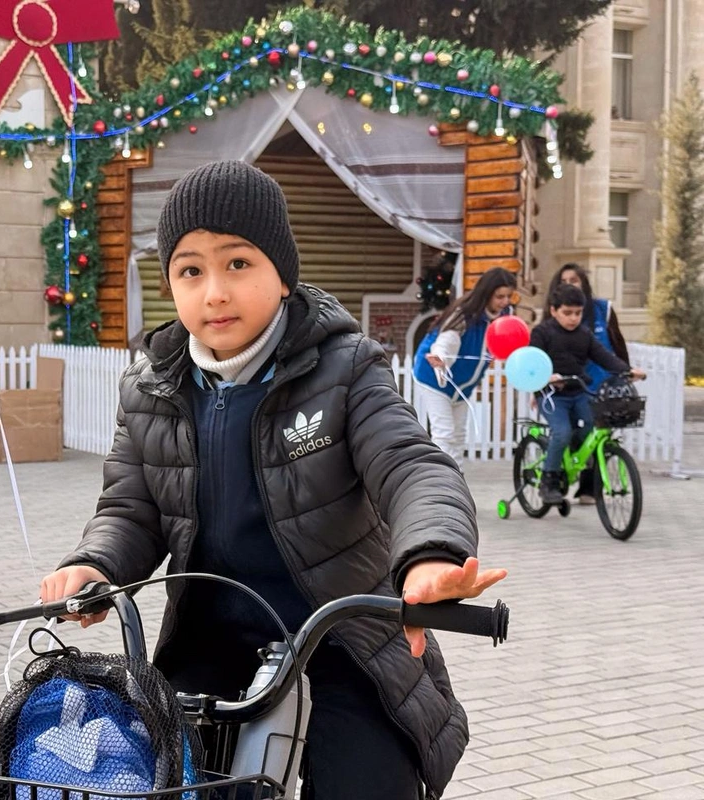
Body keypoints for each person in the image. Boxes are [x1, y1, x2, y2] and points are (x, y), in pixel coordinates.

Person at [38, 161, 506, 800]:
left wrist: (430, 553)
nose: (215, 293)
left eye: (238, 263)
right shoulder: (150, 387)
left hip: (340, 642)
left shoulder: (344, 367)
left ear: (282, 275)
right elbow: (129, 509)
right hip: (207, 644)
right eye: (190, 270)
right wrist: (94, 564)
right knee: (156, 781)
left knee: (367, 781)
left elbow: (410, 463)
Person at [530, 283, 645, 505]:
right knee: (561, 432)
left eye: (578, 313)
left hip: (580, 391)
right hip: (552, 396)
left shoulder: (584, 334)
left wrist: (627, 370)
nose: (573, 318)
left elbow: (604, 356)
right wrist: (547, 377)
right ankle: (549, 481)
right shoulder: (542, 332)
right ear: (553, 310)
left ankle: (582, 457)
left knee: (597, 424)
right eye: (567, 313)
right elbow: (533, 361)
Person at [412, 267, 518, 469]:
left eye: (508, 296)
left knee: (459, 434)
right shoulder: (464, 314)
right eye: (499, 297)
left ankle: (457, 478)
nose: (505, 301)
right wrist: (440, 357)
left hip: (463, 384)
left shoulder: (505, 316)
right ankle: (441, 481)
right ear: (486, 294)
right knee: (444, 433)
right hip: (433, 376)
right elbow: (446, 341)